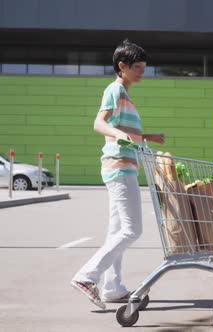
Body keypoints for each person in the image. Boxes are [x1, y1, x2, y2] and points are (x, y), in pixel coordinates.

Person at [70, 40, 165, 309]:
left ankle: (112, 287)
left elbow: (122, 129)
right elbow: (100, 123)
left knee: (117, 231)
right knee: (132, 230)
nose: (141, 72)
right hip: (119, 166)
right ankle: (86, 277)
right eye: (137, 67)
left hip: (123, 165)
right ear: (121, 66)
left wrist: (147, 136)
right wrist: (119, 134)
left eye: (144, 67)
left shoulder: (125, 93)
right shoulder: (115, 90)